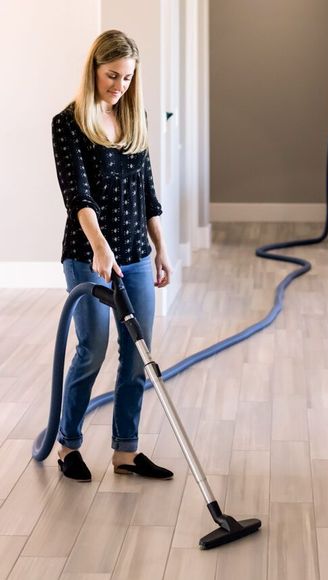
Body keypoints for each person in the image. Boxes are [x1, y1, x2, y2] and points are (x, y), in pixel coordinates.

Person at [52, 29, 173, 482]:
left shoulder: (134, 117)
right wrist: (100, 247)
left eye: (126, 78)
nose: (119, 86)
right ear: (94, 69)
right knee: (92, 349)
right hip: (88, 255)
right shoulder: (68, 123)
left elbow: (147, 194)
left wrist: (160, 250)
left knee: (138, 353)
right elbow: (78, 197)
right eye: (112, 76)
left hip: (137, 255)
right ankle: (67, 445)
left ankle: (126, 452)